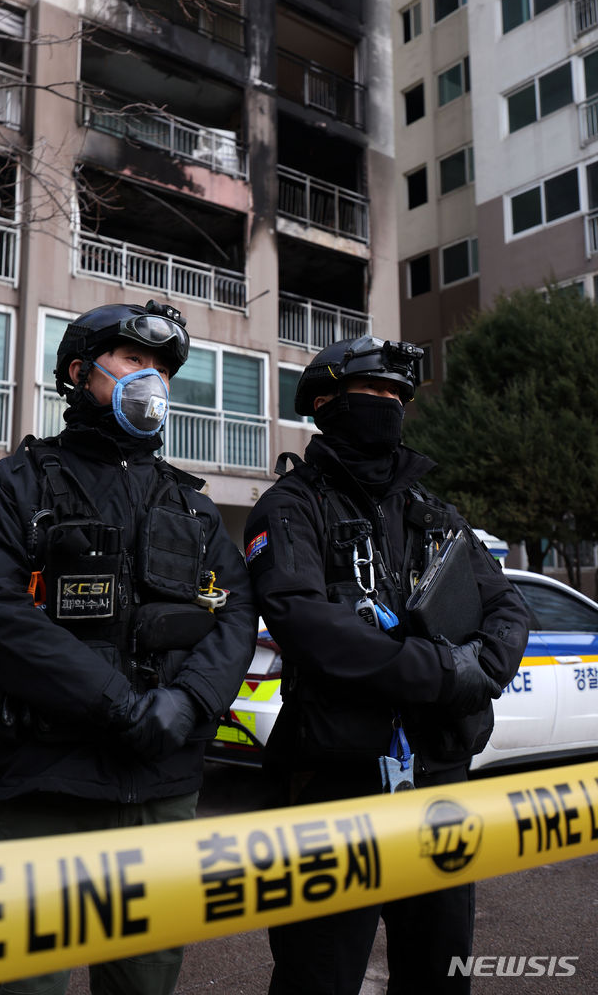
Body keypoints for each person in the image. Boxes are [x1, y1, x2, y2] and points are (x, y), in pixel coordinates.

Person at [0, 298, 257, 995]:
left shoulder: (193, 506)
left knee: (146, 982)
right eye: (132, 360)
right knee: (26, 983)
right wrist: (120, 706)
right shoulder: (15, 486)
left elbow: (235, 612)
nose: (150, 380)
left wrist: (189, 701)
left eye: (161, 369)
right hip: (46, 785)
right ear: (79, 371)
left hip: (163, 792)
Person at [243, 335, 530, 995]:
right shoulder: (291, 507)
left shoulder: (431, 510)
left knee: (441, 967)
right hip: (332, 783)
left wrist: (477, 669)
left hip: (438, 779)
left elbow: (507, 605)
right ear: (324, 404)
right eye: (371, 394)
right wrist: (437, 673)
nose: (387, 407)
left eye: (397, 397)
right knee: (319, 973)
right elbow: (304, 621)